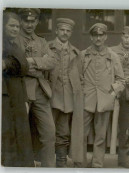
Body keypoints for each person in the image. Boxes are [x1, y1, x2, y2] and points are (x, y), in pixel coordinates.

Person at [81, 23, 125, 168]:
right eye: (95, 35)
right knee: (81, 133)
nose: (98, 38)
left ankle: (97, 165)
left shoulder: (113, 56)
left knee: (100, 136)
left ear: (105, 36)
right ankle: (80, 162)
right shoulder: (84, 55)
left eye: (101, 35)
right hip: (86, 100)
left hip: (104, 101)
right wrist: (81, 92)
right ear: (91, 37)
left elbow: (121, 80)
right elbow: (77, 77)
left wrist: (112, 94)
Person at [17, 8, 56, 167]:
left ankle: (48, 168)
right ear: (21, 21)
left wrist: (30, 61)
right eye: (26, 21)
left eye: (33, 21)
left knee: (49, 133)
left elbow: (51, 62)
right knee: (19, 133)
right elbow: (14, 64)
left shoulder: (42, 41)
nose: (29, 24)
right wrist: (39, 63)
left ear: (37, 22)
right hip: (20, 90)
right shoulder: (13, 39)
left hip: (41, 92)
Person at [48, 18, 84, 167]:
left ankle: (61, 163)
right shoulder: (47, 47)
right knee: (47, 132)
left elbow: (80, 76)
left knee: (63, 132)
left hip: (67, 99)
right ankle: (46, 163)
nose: (65, 33)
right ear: (56, 31)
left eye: (68, 31)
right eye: (62, 30)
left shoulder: (76, 53)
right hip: (49, 96)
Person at [2, 12, 34, 167]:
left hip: (18, 96)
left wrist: (26, 100)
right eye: (11, 25)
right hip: (6, 98)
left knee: (20, 137)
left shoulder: (15, 45)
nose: (15, 29)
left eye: (16, 26)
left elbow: (22, 72)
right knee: (7, 137)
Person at [110, 26, 129, 168]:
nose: (127, 40)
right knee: (100, 125)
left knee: (124, 128)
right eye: (125, 37)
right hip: (110, 92)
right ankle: (95, 159)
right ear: (121, 36)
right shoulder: (111, 51)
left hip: (126, 96)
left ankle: (122, 158)